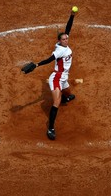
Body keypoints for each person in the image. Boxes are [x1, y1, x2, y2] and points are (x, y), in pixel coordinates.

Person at [35, 9, 77, 140]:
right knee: (57, 102)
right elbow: (49, 59)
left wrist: (72, 16)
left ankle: (65, 97)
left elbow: (68, 28)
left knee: (69, 95)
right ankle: (51, 128)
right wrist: (37, 65)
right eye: (64, 39)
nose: (66, 40)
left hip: (64, 77)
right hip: (57, 77)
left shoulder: (62, 43)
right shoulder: (59, 51)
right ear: (59, 41)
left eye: (66, 38)